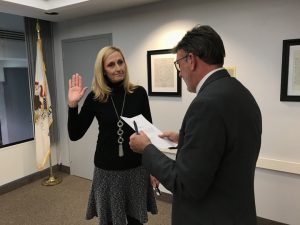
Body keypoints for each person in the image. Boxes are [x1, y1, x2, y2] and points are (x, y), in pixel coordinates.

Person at [129, 25, 262, 225]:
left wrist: (146, 149)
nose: (180, 73)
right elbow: (228, 145)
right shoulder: (241, 92)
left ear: (190, 60)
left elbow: (185, 184)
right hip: (238, 213)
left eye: (178, 64)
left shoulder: (206, 104)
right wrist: (185, 138)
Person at [68, 46, 158, 225]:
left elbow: (148, 133)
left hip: (136, 168)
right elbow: (75, 134)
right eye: (111, 65)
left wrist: (153, 167)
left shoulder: (138, 93)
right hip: (107, 171)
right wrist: (72, 105)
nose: (118, 68)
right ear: (103, 71)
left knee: (136, 220)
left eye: (120, 62)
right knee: (110, 221)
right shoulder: (96, 97)